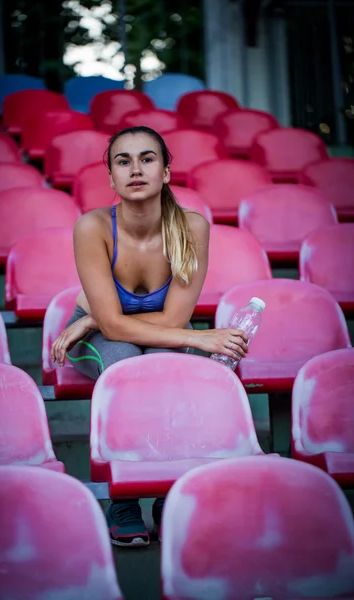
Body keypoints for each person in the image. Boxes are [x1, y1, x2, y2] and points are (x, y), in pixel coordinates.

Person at [51, 125, 249, 547]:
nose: (135, 169)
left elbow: (176, 319)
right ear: (110, 177)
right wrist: (98, 323)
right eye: (123, 161)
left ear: (166, 171)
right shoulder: (93, 227)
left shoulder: (192, 227)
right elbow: (121, 329)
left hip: (143, 328)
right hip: (101, 340)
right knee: (124, 360)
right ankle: (122, 498)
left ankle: (165, 490)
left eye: (147, 158)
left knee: (172, 365)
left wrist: (100, 318)